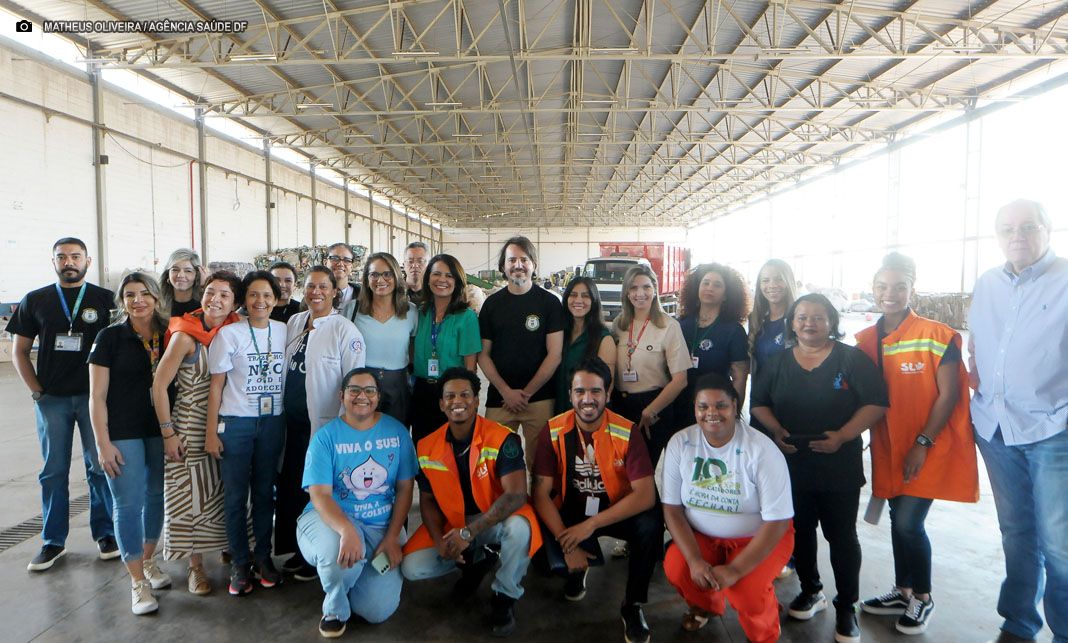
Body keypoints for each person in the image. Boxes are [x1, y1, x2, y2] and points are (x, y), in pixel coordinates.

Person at [750, 293, 889, 643]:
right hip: (792, 463)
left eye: (817, 317)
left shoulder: (851, 359)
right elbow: (758, 405)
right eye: (801, 317)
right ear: (792, 323)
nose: (809, 323)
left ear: (831, 322)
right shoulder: (777, 362)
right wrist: (777, 431)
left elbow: (876, 403)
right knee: (802, 531)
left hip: (838, 464)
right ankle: (812, 590)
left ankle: (847, 606)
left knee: (841, 536)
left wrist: (842, 435)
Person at [856, 252, 979, 634]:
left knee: (909, 523)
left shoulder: (938, 336)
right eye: (881, 286)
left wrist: (923, 441)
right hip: (886, 446)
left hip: (925, 445)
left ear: (913, 289)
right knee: (897, 518)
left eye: (898, 287)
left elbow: (948, 395)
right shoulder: (864, 340)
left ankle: (923, 598)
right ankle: (902, 589)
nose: (889, 294)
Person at [968, 199, 1068, 643]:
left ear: (1048, 230)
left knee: (1060, 544)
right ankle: (1019, 622)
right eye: (1007, 227)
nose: (1018, 235)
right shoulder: (987, 283)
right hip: (995, 427)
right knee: (1016, 531)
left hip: (1053, 431)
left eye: (1029, 226)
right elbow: (979, 348)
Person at [401, 368, 542, 637]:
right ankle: (476, 560)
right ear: (441, 403)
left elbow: (515, 495)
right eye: (450, 396)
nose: (458, 401)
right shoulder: (426, 445)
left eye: (465, 394)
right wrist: (441, 541)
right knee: (412, 567)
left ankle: (504, 595)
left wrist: (470, 533)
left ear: (477, 400)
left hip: (495, 520)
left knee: (521, 529)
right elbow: (427, 501)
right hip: (454, 524)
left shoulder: (503, 438)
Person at [7, 237, 117, 571]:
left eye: (75, 256)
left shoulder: (106, 300)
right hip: (52, 399)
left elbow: (119, 347)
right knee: (53, 471)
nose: (69, 261)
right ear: (53, 261)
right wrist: (37, 392)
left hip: (93, 399)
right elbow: (19, 352)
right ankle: (52, 541)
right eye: (62, 257)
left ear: (88, 260)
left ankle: (106, 534)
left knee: (100, 466)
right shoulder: (35, 300)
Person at [533, 357, 659, 643]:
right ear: (570, 395)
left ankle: (632, 605)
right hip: (573, 510)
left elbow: (646, 495)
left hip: (616, 510)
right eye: (580, 392)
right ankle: (578, 566)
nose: (587, 400)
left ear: (607, 394)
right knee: (542, 561)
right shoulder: (553, 430)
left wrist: (591, 526)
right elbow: (540, 494)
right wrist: (567, 544)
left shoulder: (627, 431)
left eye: (595, 392)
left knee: (650, 525)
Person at [661, 374, 795, 643]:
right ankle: (705, 606)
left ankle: (765, 632)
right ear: (695, 409)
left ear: (735, 406)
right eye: (703, 406)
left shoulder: (761, 450)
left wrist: (735, 571)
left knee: (745, 591)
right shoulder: (680, 443)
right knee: (678, 567)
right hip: (703, 537)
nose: (711, 413)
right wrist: (695, 560)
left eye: (720, 405)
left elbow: (778, 521)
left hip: (759, 538)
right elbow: (672, 508)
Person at [298, 368, 416, 638]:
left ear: (377, 397)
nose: (362, 396)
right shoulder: (326, 438)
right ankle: (335, 609)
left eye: (369, 391)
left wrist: (393, 535)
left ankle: (345, 576)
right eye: (354, 390)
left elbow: (405, 487)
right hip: (330, 521)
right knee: (338, 554)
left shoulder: (397, 433)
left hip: (381, 528)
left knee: (377, 611)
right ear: (342, 395)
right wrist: (346, 530)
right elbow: (319, 495)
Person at [151, 271, 242, 596]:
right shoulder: (185, 335)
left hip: (226, 423)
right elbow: (159, 386)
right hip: (188, 425)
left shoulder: (235, 330)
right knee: (190, 496)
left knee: (222, 492)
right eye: (211, 293)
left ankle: (227, 547)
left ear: (235, 302)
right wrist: (168, 433)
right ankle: (195, 566)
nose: (215, 300)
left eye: (224, 295)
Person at [89, 272, 173, 614]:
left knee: (156, 496)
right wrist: (102, 442)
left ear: (156, 297)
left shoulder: (169, 333)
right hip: (122, 431)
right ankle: (137, 582)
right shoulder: (109, 337)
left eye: (144, 294)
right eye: (129, 295)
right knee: (127, 503)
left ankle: (148, 560)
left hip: (160, 429)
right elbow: (96, 396)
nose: (137, 300)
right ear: (121, 301)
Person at [277, 266, 366, 579]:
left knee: (315, 489)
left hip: (324, 426)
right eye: (310, 286)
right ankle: (296, 548)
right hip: (292, 423)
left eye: (322, 287)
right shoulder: (295, 322)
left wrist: (345, 428)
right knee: (290, 486)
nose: (315, 292)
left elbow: (353, 383)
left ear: (333, 292)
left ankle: (313, 555)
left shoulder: (345, 331)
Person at [205, 270, 288, 596]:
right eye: (253, 295)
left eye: (267, 295)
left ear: (276, 299)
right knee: (236, 496)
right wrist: (212, 432)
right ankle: (240, 563)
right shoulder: (230, 334)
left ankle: (263, 558)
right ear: (244, 299)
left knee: (266, 493)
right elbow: (216, 388)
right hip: (236, 424)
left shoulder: (283, 330)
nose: (260, 301)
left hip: (271, 423)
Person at [478, 236, 565, 468]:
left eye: (524, 259)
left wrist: (526, 393)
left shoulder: (549, 303)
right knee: (496, 462)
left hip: (539, 399)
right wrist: (506, 392)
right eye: (512, 259)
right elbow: (483, 355)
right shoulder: (491, 305)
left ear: (533, 264)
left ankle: (537, 505)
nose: (518, 265)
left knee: (541, 465)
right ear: (503, 267)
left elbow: (554, 355)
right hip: (500, 400)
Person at [610, 264, 690, 466]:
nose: (640, 293)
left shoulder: (669, 326)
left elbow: (680, 380)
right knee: (621, 470)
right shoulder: (619, 325)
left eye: (646, 287)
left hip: (653, 408)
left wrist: (650, 410)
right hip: (621, 405)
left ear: (655, 290)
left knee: (643, 471)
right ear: (626, 293)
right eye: (633, 288)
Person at [410, 254, 481, 442]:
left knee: (451, 448)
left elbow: (470, 367)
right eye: (437, 274)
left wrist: (467, 399)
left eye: (449, 276)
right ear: (428, 278)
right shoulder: (420, 313)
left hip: (452, 394)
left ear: (457, 281)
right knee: (422, 446)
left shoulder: (466, 317)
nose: (442, 280)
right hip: (421, 391)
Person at [343, 252, 416, 425]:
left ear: (397, 277)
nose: (380, 280)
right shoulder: (352, 309)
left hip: (398, 386)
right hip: (362, 385)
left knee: (396, 434)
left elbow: (412, 348)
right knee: (362, 434)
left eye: (387, 274)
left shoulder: (410, 311)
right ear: (366, 279)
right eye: (374, 274)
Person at [675, 263, 750, 429]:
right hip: (679, 404)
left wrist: (733, 414)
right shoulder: (681, 324)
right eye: (706, 283)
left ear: (726, 295)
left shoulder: (733, 330)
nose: (710, 288)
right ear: (697, 288)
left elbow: (739, 376)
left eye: (717, 285)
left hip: (713, 407)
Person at [747, 259, 797, 433]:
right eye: (765, 280)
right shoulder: (755, 319)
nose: (772, 285)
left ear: (788, 282)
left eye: (778, 279)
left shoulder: (799, 318)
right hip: (761, 404)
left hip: (791, 403)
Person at [554, 277, 616, 413]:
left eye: (585, 296)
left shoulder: (604, 339)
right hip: (558, 412)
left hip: (587, 414)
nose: (578, 300)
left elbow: (606, 387)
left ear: (594, 301)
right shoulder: (558, 334)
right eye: (573, 295)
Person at [160, 248, 205, 318]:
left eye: (188, 271)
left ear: (197, 275)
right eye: (175, 270)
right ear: (167, 274)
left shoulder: (205, 304)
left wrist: (204, 286)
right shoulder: (158, 304)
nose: (180, 275)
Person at [326, 242, 359, 312]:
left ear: (352, 266)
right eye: (335, 258)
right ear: (325, 262)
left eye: (347, 260)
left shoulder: (362, 295)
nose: (340, 264)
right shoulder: (315, 293)